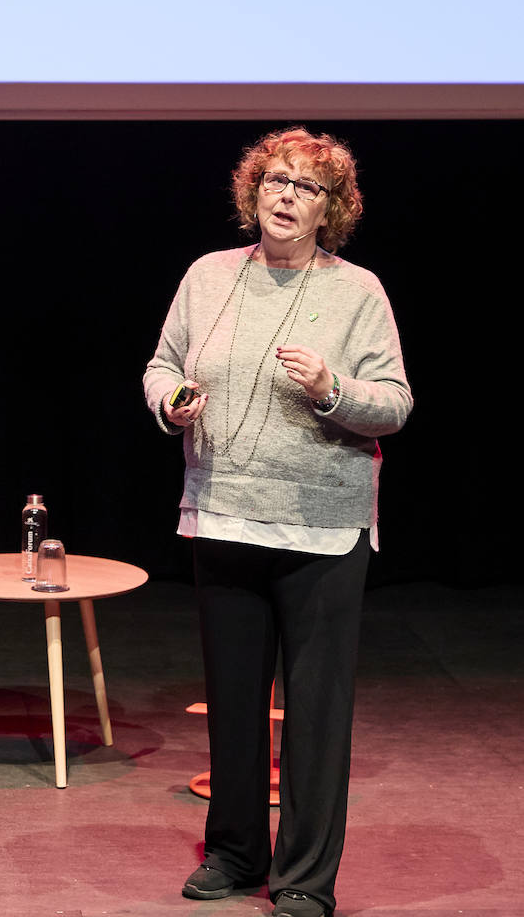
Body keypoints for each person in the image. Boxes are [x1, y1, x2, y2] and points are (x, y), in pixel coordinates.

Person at [143, 129, 412, 917]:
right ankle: (233, 850)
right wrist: (171, 400)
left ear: (332, 208)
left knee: (317, 712)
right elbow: (162, 361)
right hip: (224, 513)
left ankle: (303, 876)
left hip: (322, 533)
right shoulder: (208, 276)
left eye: (306, 186)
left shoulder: (357, 291)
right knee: (233, 702)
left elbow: (394, 403)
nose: (287, 195)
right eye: (275, 181)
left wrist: (333, 389)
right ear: (251, 192)